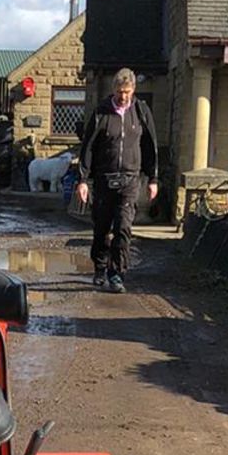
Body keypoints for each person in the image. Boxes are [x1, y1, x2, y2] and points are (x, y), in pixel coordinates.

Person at [76, 68, 158, 293]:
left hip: (131, 179)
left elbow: (150, 146)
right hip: (104, 179)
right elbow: (88, 147)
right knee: (102, 229)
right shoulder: (101, 113)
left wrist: (153, 178)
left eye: (128, 91)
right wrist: (82, 179)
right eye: (120, 91)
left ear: (133, 90)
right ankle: (100, 268)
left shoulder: (141, 112)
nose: (123, 96)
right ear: (114, 89)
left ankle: (117, 274)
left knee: (123, 227)